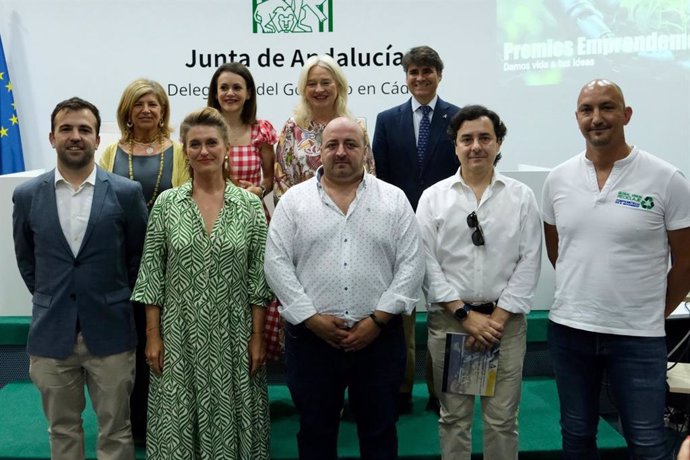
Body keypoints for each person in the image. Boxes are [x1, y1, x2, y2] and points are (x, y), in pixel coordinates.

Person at [542, 79, 690, 459]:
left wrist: (653, 312)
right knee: (576, 435)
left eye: (607, 107)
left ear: (626, 114)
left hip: (638, 337)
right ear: (577, 118)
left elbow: (686, 261)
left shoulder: (667, 179)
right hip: (570, 331)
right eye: (587, 110)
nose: (597, 118)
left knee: (646, 440)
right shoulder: (557, 179)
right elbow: (558, 249)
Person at [264, 117, 424, 460]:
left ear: (364, 152)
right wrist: (311, 319)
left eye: (350, 145)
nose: (340, 152)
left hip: (379, 340)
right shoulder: (293, 202)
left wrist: (377, 320)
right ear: (319, 152)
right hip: (311, 342)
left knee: (380, 431)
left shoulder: (394, 200)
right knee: (316, 433)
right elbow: (276, 264)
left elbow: (412, 265)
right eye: (332, 145)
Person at [131, 107, 272, 459]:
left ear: (226, 147)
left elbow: (259, 277)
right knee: (177, 422)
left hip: (235, 334)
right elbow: (152, 274)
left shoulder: (249, 206)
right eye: (195, 144)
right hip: (178, 335)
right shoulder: (166, 205)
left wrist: (257, 338)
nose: (204, 150)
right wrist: (152, 336)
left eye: (212, 142)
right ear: (185, 149)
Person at [12, 97, 148, 460]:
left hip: (112, 333)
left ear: (97, 138)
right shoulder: (27, 195)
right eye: (66, 129)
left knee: (117, 432)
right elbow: (28, 261)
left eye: (84, 129)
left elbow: (138, 257)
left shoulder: (125, 192)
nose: (75, 136)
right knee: (62, 431)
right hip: (52, 335)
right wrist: (56, 296)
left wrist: (109, 297)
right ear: (52, 137)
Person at [416, 105, 542, 459]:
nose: (476, 146)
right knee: (454, 418)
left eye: (484, 138)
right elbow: (425, 262)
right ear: (455, 145)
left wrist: (496, 320)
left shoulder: (521, 197)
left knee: (502, 420)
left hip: (506, 327)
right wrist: (464, 315)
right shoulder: (434, 197)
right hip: (452, 325)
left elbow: (530, 260)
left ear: (498, 143)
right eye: (466, 139)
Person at [99, 78, 189, 443]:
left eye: (154, 104)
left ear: (164, 110)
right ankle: (134, 425)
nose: (147, 110)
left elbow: (187, 199)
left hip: (171, 260)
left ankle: (171, 421)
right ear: (128, 111)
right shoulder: (109, 153)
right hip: (124, 262)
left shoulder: (180, 151)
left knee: (168, 342)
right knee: (134, 344)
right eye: (139, 104)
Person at [373, 45, 461, 413]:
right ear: (405, 77)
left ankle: (444, 392)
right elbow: (381, 179)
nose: (420, 78)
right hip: (401, 229)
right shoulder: (387, 119)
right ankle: (403, 390)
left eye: (427, 71)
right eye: (413, 72)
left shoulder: (458, 118)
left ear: (439, 74)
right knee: (402, 317)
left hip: (449, 230)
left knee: (447, 312)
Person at [207, 62, 281, 359]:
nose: (230, 93)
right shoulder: (206, 130)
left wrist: (258, 192)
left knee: (255, 290)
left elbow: (270, 178)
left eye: (237, 87)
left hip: (252, 219)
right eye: (224, 87)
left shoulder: (260, 131)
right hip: (212, 219)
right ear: (215, 93)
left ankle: (257, 350)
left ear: (248, 93)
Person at [273, 54, 375, 203]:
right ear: (303, 89)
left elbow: (370, 176)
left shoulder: (355, 128)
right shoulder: (292, 128)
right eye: (312, 84)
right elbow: (281, 184)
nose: (319, 89)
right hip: (303, 218)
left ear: (339, 85)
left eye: (326, 82)